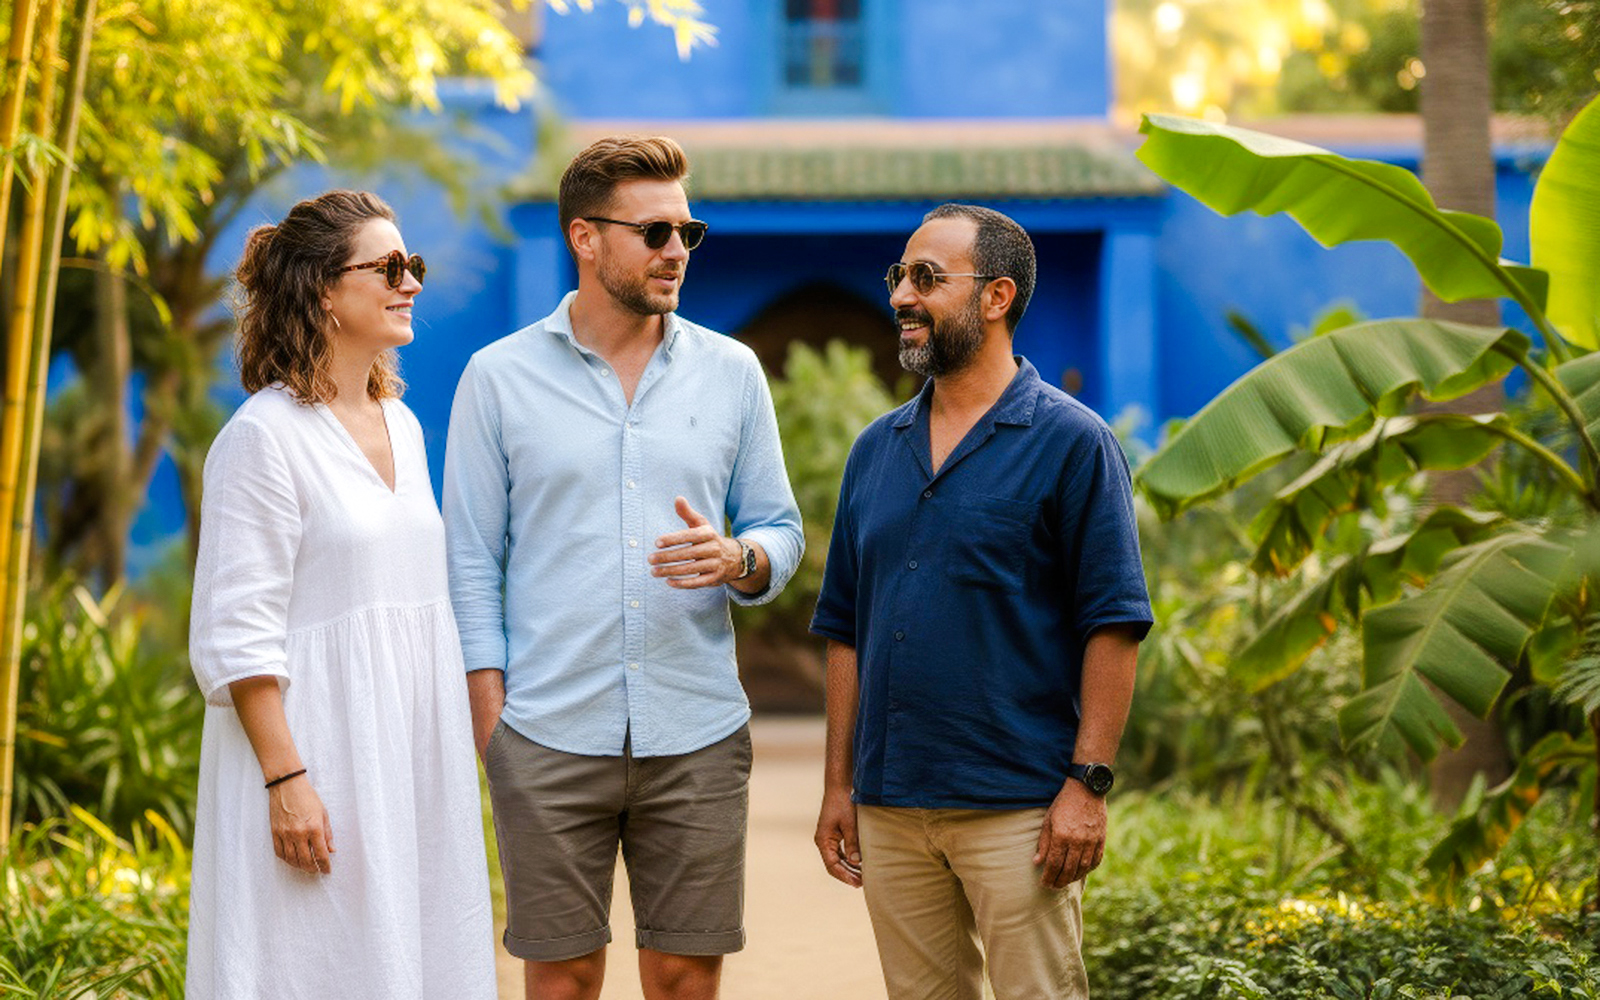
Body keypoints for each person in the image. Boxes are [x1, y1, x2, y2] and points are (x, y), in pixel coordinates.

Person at [443, 135, 803, 1000]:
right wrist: (495, 730)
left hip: (698, 730)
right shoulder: (497, 380)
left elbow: (779, 529)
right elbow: (467, 563)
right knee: (562, 979)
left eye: (688, 231)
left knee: (683, 976)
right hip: (547, 730)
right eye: (653, 232)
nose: (676, 250)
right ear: (585, 237)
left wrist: (741, 557)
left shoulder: (734, 373)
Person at [810, 203, 1153, 1000]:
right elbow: (844, 629)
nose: (901, 296)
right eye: (899, 276)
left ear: (996, 297)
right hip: (892, 808)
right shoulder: (876, 449)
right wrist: (838, 785)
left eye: (928, 279)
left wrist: (1088, 785)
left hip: (1020, 812)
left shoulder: (1073, 442)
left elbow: (1114, 622)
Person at [186, 190, 496, 1000]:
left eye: (414, 265)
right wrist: (287, 782)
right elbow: (236, 631)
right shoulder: (262, 438)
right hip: (316, 759)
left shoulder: (404, 425)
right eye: (390, 267)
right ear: (323, 288)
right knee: (312, 964)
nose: (411, 282)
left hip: (408, 758)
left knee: (414, 957)